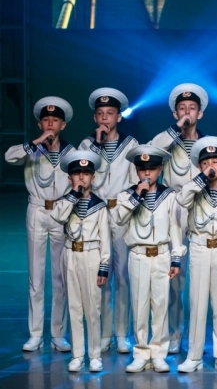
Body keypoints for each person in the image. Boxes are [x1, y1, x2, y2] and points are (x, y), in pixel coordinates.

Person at [4, 97, 75, 352]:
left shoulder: (71, 153)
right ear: (39, 124)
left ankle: (58, 334)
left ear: (63, 125)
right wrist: (35, 142)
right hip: (36, 209)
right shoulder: (30, 150)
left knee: (60, 276)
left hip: (61, 212)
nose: (50, 124)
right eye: (46, 120)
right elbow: (9, 157)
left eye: (55, 120)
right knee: (35, 277)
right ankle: (35, 334)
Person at [114, 145, 186, 373]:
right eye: (142, 169)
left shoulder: (169, 196)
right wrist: (137, 195)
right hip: (138, 255)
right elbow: (118, 219)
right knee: (139, 305)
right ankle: (141, 352)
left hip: (162, 254)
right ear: (136, 171)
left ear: (160, 170)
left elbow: (175, 228)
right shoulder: (127, 195)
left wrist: (176, 258)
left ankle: (158, 353)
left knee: (161, 305)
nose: (147, 173)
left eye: (152, 169)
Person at [149, 83, 209, 354]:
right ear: (175, 114)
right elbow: (151, 150)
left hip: (201, 211)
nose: (187, 113)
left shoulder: (208, 144)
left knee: (199, 280)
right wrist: (176, 129)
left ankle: (196, 338)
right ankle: (173, 334)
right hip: (173, 211)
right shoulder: (167, 141)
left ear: (200, 113)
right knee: (172, 278)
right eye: (182, 109)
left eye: (192, 108)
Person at [176, 137, 217, 373]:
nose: (211, 166)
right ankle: (194, 356)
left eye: (215, 162)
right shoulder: (193, 190)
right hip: (199, 248)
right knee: (197, 304)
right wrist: (200, 179)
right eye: (206, 163)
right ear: (199, 166)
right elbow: (181, 201)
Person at [79, 88, 138, 353]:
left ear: (118, 117)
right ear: (95, 118)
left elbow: (136, 181)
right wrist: (97, 144)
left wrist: (127, 206)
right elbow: (84, 175)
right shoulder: (86, 145)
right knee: (100, 274)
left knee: (123, 275)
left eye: (110, 113)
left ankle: (122, 333)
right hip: (96, 214)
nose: (105, 118)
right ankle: (104, 334)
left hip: (121, 213)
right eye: (100, 114)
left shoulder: (131, 144)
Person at [52, 151, 110, 372]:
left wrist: (103, 267)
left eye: (86, 174)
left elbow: (105, 238)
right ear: (70, 178)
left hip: (91, 255)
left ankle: (94, 355)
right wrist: (73, 195)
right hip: (70, 254)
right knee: (74, 307)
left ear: (93, 178)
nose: (82, 178)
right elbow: (58, 217)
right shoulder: (65, 202)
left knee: (92, 308)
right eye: (77, 174)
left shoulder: (99, 206)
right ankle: (77, 355)